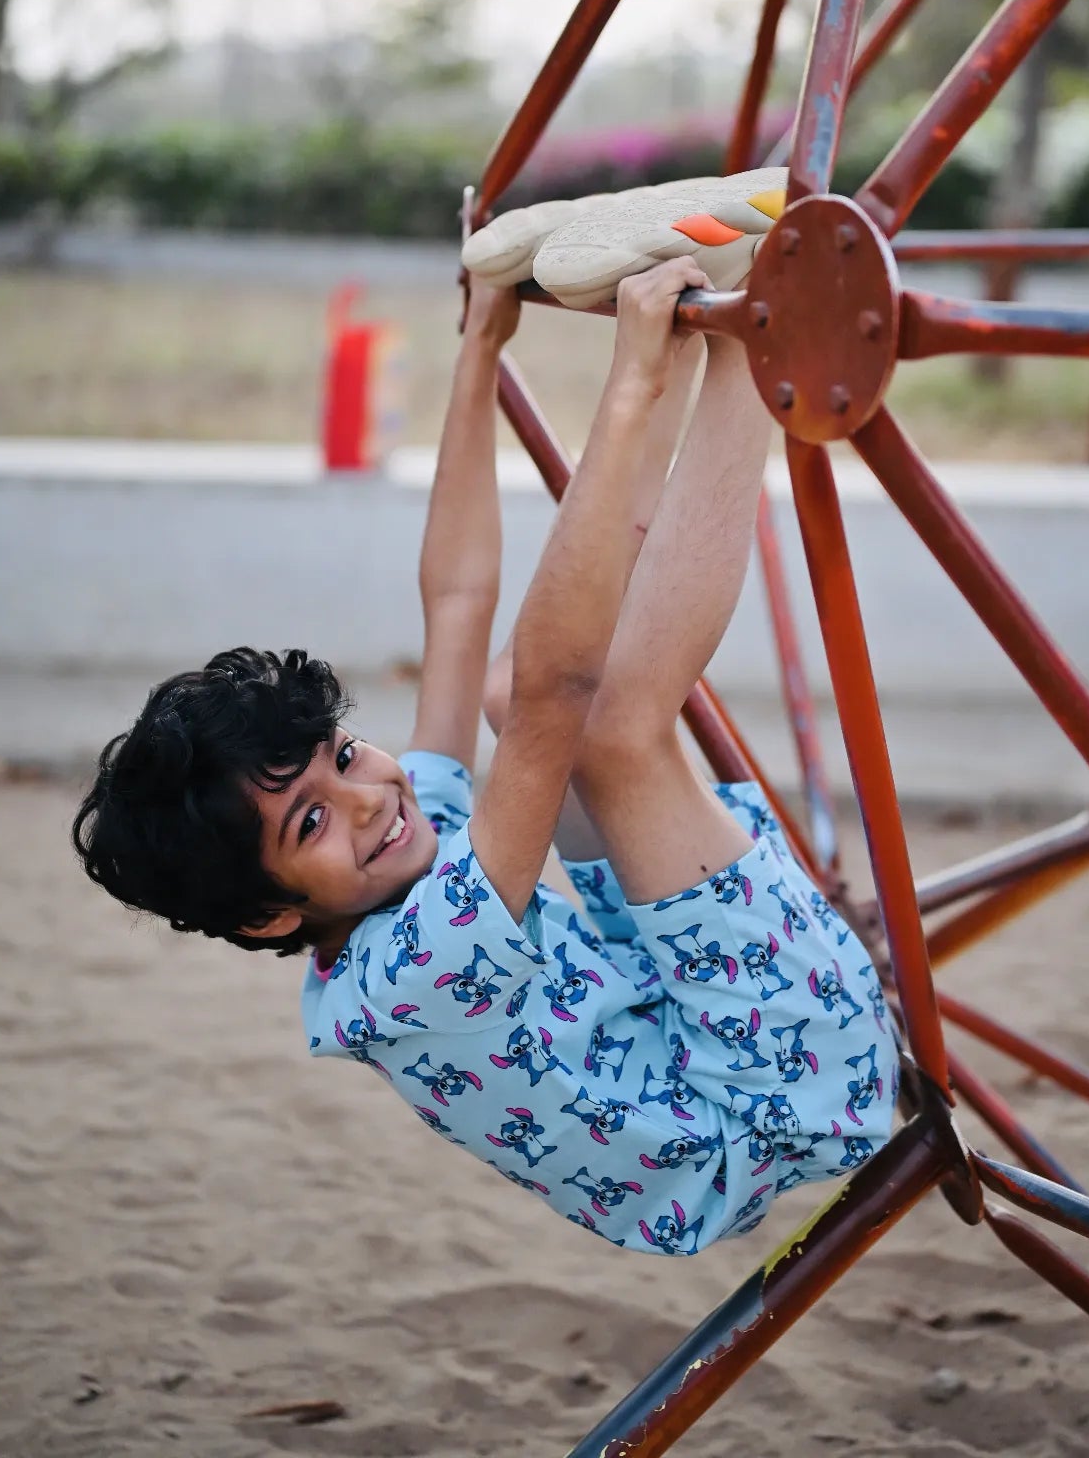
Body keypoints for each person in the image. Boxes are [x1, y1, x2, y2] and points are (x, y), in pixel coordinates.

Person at [73, 258, 897, 1255]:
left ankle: (701, 335)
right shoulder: (415, 969)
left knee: (506, 691)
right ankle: (752, 335)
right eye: (310, 823)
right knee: (609, 725)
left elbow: (458, 607)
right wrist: (627, 383)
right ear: (270, 914)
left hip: (697, 1033)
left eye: (343, 755)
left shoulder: (382, 857)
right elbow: (559, 695)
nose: (368, 799)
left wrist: (479, 348)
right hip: (777, 1099)